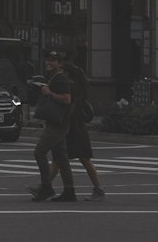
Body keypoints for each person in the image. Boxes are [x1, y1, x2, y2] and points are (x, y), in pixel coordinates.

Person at [49, 61, 104, 200]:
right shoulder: (78, 86)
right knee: (62, 158)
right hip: (77, 127)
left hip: (73, 127)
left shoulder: (72, 87)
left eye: (62, 71)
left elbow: (71, 107)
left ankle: (98, 189)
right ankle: (44, 185)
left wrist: (63, 121)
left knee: (73, 158)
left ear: (66, 73)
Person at [30, 51, 77, 204]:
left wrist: (49, 93)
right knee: (61, 158)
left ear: (60, 64)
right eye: (48, 60)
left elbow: (66, 99)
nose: (49, 63)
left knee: (39, 152)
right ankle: (69, 190)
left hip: (58, 124)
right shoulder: (55, 78)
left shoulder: (61, 79)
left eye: (53, 60)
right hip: (57, 123)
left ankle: (46, 187)